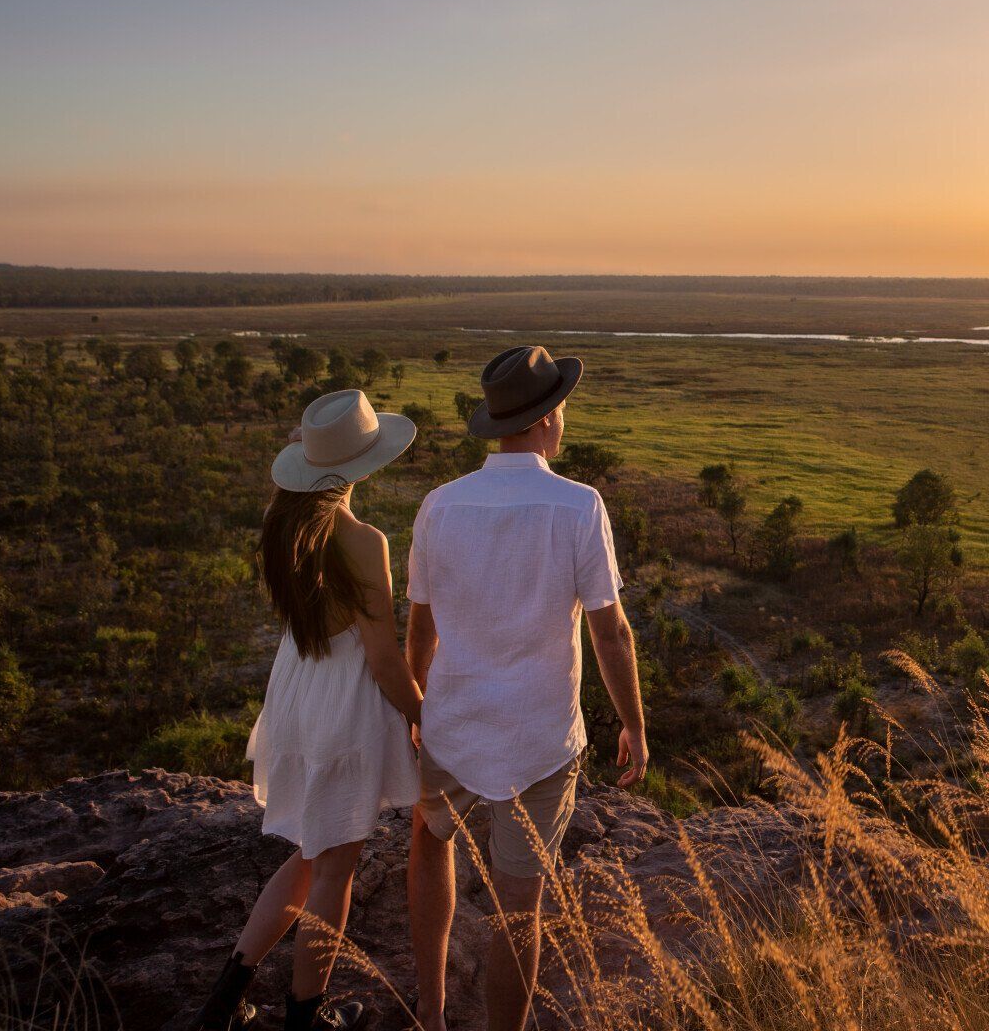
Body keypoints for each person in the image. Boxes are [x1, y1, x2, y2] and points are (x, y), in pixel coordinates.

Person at [406, 344, 648, 1031]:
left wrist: (415, 706)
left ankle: (431, 1010)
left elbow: (419, 628)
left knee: (430, 841)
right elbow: (612, 634)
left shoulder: (440, 506)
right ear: (548, 421)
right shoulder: (577, 506)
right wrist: (633, 724)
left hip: (449, 723)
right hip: (539, 738)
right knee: (521, 908)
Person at [194, 389, 424, 1031]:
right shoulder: (363, 540)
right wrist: (425, 716)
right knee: (334, 870)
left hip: (296, 692)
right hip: (344, 707)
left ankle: (222, 1000)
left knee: (307, 854)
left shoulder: (284, 525)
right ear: (364, 464)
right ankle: (304, 1017)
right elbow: (382, 659)